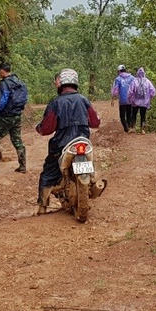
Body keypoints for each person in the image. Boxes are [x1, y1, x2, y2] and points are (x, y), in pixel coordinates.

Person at [35, 68, 100, 212]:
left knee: (48, 172)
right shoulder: (84, 100)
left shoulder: (56, 103)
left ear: (61, 84)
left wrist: (39, 128)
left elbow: (47, 128)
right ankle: (93, 183)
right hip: (82, 141)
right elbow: (95, 123)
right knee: (91, 163)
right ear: (75, 83)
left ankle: (42, 206)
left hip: (62, 145)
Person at [127, 67, 156, 133]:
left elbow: (130, 91)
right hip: (144, 102)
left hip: (135, 102)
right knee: (143, 115)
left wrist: (129, 98)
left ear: (137, 73)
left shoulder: (134, 81)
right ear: (144, 73)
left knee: (134, 114)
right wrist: (150, 97)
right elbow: (153, 91)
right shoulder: (147, 81)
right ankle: (142, 129)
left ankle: (133, 128)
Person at [110, 64, 135, 133]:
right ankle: (130, 127)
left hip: (122, 101)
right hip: (130, 100)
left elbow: (115, 90)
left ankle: (126, 129)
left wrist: (113, 99)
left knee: (122, 116)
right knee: (129, 114)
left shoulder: (118, 79)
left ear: (119, 71)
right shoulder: (132, 78)